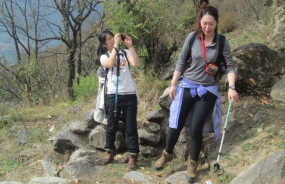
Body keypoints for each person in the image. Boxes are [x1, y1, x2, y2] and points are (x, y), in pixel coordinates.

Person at [154, 4, 238, 183]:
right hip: (188, 85)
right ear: (200, 21)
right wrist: (173, 84)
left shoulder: (222, 42)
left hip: (207, 89)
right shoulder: (192, 38)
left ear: (216, 23)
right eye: (205, 23)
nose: (207, 27)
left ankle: (192, 165)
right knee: (176, 122)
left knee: (196, 127)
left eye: (211, 24)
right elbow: (181, 62)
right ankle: (167, 153)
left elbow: (230, 66)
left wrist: (232, 87)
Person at [97, 29, 141, 170]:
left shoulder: (124, 53)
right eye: (110, 39)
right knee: (111, 125)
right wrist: (115, 46)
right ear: (105, 44)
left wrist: (130, 46)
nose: (113, 39)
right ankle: (109, 151)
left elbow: (136, 63)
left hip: (129, 94)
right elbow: (110, 63)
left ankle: (133, 156)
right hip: (112, 95)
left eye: (113, 37)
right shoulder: (104, 56)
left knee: (131, 126)